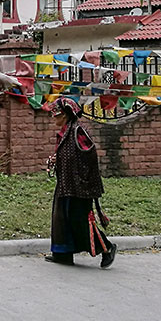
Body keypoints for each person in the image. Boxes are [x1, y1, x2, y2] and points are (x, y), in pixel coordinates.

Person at [46, 97, 116, 267]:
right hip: (66, 184)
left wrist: (81, 179)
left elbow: (88, 156)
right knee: (61, 218)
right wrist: (58, 160)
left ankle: (107, 248)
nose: (53, 118)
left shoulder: (78, 131)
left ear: (65, 115)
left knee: (80, 221)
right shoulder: (66, 132)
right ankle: (63, 254)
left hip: (79, 186)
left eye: (56, 115)